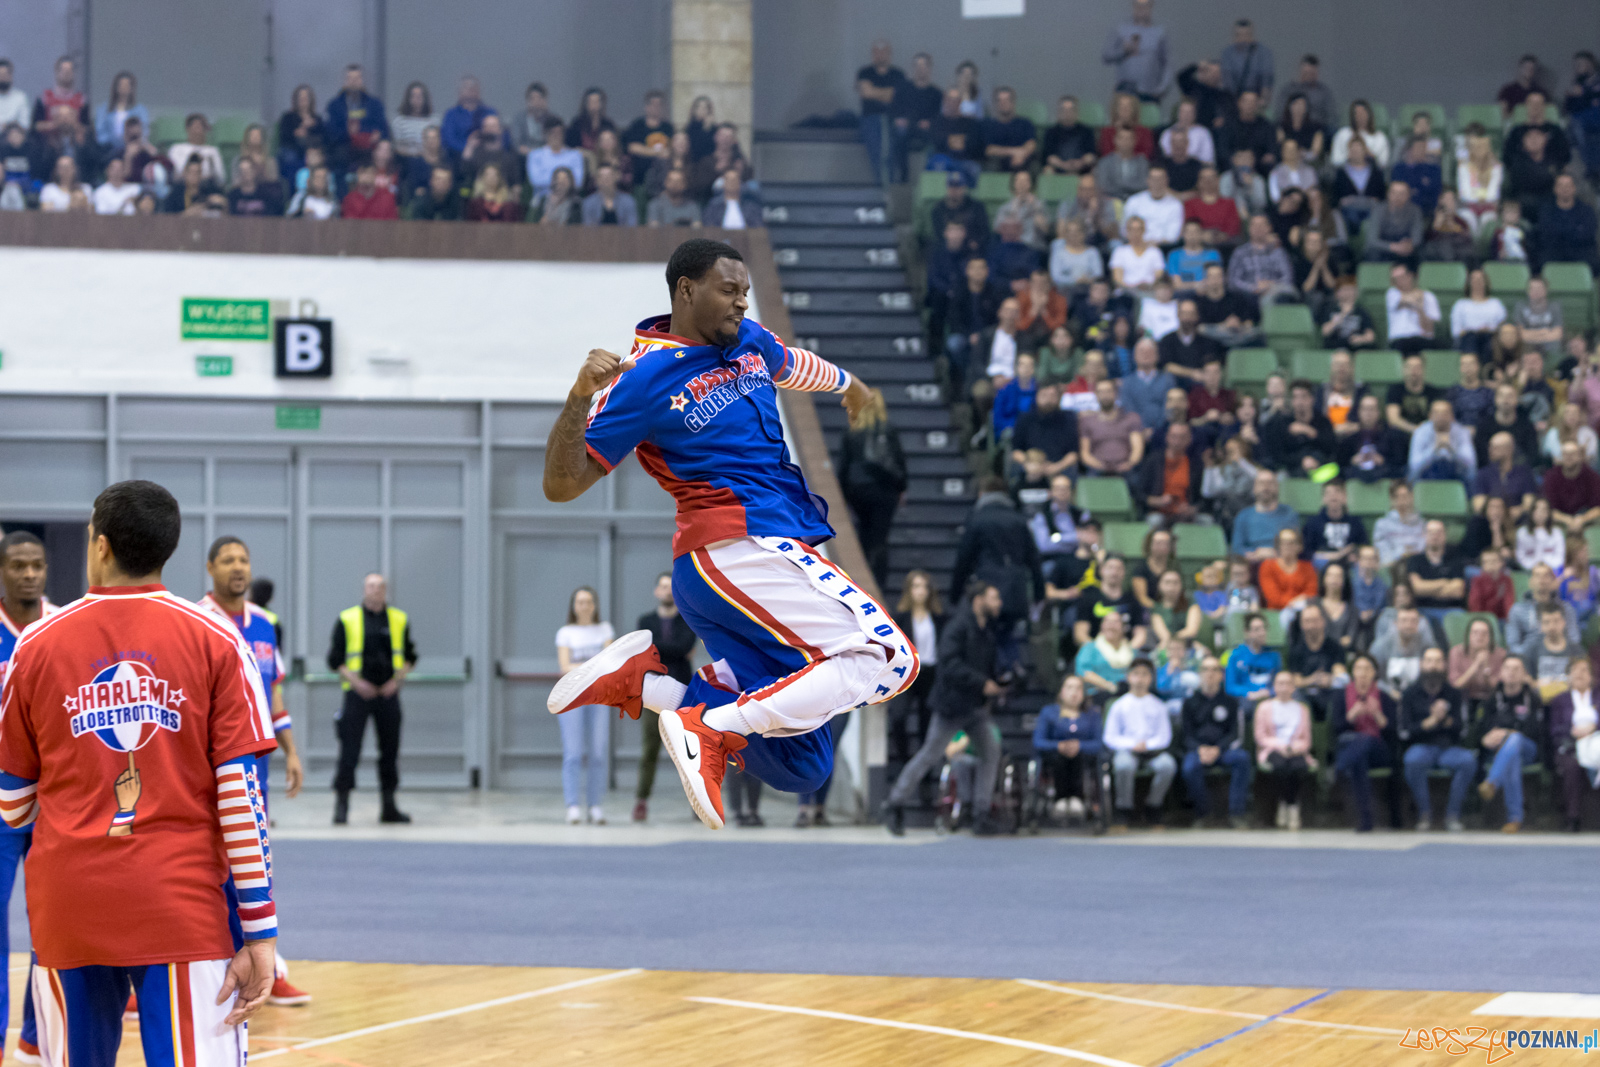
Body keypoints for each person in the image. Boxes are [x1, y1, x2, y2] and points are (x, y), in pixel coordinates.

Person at [543, 239, 915, 830]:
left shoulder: (746, 341)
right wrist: (576, 399)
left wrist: (850, 386)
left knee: (804, 763)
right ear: (686, 291)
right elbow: (563, 484)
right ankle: (712, 726)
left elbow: (792, 364)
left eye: (745, 291)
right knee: (889, 656)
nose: (742, 302)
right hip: (736, 549)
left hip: (752, 559)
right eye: (729, 290)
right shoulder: (642, 378)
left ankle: (650, 686)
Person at [0, 481, 278, 1066]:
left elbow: (12, 805)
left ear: (100, 546)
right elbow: (242, 800)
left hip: (68, 907)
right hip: (180, 907)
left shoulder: (33, 646)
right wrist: (260, 932)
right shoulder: (220, 639)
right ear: (168, 551)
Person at [196, 536, 309, 1007]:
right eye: (228, 560)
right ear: (210, 568)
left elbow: (273, 694)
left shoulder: (264, 624)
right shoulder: (198, 621)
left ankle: (267, 967)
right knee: (209, 873)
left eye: (244, 559)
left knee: (253, 872)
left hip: (254, 769)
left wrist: (292, 752)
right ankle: (207, 971)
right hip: (208, 769)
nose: (237, 567)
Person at [884, 581, 1003, 836]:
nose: (998, 603)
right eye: (993, 598)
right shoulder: (958, 627)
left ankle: (981, 812)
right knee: (929, 754)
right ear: (978, 600)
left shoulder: (986, 630)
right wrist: (982, 683)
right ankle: (895, 803)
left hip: (974, 706)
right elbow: (949, 664)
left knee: (991, 752)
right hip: (951, 706)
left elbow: (985, 665)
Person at [0, 532, 53, 1056]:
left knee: (52, 921)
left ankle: (35, 1036)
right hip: (0, 800)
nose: (29, 574)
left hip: (52, 798)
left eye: (36, 565)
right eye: (17, 565)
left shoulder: (63, 626)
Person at [326, 572, 415, 825]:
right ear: (364, 589)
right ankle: (341, 806)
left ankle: (389, 806)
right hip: (357, 694)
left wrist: (395, 682)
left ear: (386, 590)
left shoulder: (399, 619)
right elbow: (335, 659)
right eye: (371, 586)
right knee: (349, 751)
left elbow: (410, 655)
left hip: (388, 695)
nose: (375, 590)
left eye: (380, 586)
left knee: (389, 751)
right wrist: (358, 683)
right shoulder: (347, 619)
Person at [555, 587, 614, 826]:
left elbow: (610, 663)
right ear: (573, 606)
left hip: (599, 697)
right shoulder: (565, 633)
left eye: (589, 601)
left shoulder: (605, 629)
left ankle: (595, 805)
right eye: (580, 602)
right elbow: (564, 666)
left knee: (598, 753)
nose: (585, 606)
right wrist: (593, 666)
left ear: (595, 605)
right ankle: (573, 806)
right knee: (573, 753)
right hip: (571, 698)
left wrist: (585, 667)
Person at [837, 387, 907, 588]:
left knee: (864, 535)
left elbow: (843, 466)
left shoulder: (851, 431)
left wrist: (844, 496)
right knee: (880, 539)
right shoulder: (887, 428)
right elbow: (899, 462)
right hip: (885, 490)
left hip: (857, 491)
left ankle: (859, 582)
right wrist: (902, 488)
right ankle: (878, 585)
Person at [950, 476, 1043, 628]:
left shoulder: (977, 519)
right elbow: (1033, 558)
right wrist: (1039, 593)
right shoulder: (1018, 520)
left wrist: (955, 594)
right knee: (1008, 641)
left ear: (982, 494)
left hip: (986, 591)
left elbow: (964, 558)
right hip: (1015, 590)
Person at [1398, 646, 1474, 831]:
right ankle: (1424, 814)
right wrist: (1430, 721)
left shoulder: (1454, 693)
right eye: (1429, 661)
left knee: (1468, 761)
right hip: (1421, 747)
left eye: (1438, 661)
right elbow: (1404, 731)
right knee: (1412, 760)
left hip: (1448, 748)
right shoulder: (1409, 694)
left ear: (1445, 665)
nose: (1433, 666)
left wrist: (1445, 720)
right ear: (1422, 664)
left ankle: (1453, 816)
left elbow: (1462, 729)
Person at [1178, 657, 1251, 827]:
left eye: (1214, 670)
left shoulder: (1231, 702)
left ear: (1221, 675)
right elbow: (1186, 735)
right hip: (1198, 750)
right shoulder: (1189, 703)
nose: (1210, 674)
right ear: (1199, 674)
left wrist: (1218, 748)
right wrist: (1200, 749)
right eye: (1205, 670)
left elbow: (1236, 734)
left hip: (1224, 750)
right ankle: (1203, 814)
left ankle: (1237, 813)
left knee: (1242, 759)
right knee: (1189, 768)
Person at [1104, 658, 1175, 830]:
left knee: (1168, 765)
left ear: (1150, 679)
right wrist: (1132, 744)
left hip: (1153, 751)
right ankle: (1123, 809)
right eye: (1136, 674)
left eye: (1145, 675)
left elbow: (1165, 736)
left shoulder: (1159, 705)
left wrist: (1147, 745)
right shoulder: (1119, 705)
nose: (1140, 679)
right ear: (1128, 677)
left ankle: (1153, 806)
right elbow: (1110, 736)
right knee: (1123, 765)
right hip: (1127, 750)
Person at [890, 572, 946, 768]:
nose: (920, 591)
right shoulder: (901, 618)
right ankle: (905, 762)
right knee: (898, 717)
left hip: (930, 672)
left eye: (924, 586)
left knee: (926, 724)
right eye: (916, 586)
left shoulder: (938, 619)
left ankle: (923, 773)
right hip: (907, 672)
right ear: (909, 590)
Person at [1033, 676, 1104, 822]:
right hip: (1054, 758)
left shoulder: (1093, 714)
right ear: (1061, 692)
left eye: (1078, 688)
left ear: (1083, 694)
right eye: (1070, 688)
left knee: (1077, 756)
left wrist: (1079, 746)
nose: (1074, 692)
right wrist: (1059, 746)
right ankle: (1059, 799)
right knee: (1060, 758)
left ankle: (1077, 799)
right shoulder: (1048, 712)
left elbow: (1098, 743)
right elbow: (1038, 742)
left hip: (1084, 758)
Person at [1253, 671, 1315, 830]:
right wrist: (1281, 746)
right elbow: (1260, 736)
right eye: (1280, 683)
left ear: (1293, 687)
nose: (1284, 687)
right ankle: (1284, 803)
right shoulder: (1264, 707)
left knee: (1298, 767)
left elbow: (1306, 739)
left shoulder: (1302, 709)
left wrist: (1294, 748)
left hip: (1296, 750)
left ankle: (1292, 806)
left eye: (1288, 683)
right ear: (1274, 686)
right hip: (1272, 750)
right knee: (1280, 767)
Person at [1549, 657, 1598, 832]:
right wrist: (1572, 731)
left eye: (1584, 670)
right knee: (1572, 766)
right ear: (1568, 676)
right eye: (1575, 670)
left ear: (1591, 676)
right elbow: (1554, 729)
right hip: (1570, 745)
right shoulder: (1560, 700)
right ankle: (1573, 817)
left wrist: (1594, 727)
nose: (1579, 673)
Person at [856, 40, 908, 183]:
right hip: (870, 119)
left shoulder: (898, 74)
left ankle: (894, 185)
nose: (880, 55)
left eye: (883, 51)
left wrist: (874, 91)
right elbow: (866, 93)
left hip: (892, 119)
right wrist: (887, 93)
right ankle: (882, 187)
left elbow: (896, 96)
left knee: (891, 153)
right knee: (877, 153)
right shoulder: (864, 73)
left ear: (889, 54)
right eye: (876, 52)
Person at [1261, 379, 1335, 475]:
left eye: (1304, 397)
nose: (1300, 402)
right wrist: (1301, 460)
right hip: (1291, 469)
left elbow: (1331, 449)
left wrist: (1311, 432)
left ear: (1311, 399)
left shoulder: (1323, 422)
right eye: (1295, 397)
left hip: (1320, 468)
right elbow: (1278, 455)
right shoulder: (1282, 422)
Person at [1101, 0, 1170, 102]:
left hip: (1149, 93)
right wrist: (1123, 51)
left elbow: (1168, 64)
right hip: (1125, 93)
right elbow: (1106, 56)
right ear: (1133, 6)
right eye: (1138, 6)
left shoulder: (1159, 33)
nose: (1141, 9)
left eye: (1144, 6)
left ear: (1151, 7)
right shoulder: (1121, 29)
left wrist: (1162, 88)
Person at [324, 64, 389, 171]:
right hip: (344, 146)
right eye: (350, 78)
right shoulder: (334, 105)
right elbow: (330, 131)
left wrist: (376, 133)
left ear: (362, 80)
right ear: (345, 81)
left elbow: (382, 127)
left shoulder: (375, 104)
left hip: (369, 145)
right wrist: (347, 132)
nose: (353, 82)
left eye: (357, 78)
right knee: (338, 155)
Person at [1079, 378, 1146, 478]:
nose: (1105, 395)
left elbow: (1137, 448)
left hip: (1125, 469)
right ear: (1096, 395)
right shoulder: (1087, 421)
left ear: (1116, 393)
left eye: (1108, 391)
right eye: (1101, 392)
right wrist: (1100, 467)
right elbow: (1085, 453)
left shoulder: (1131, 418)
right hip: (1098, 470)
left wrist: (1129, 463)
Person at [1230, 470, 1300, 562]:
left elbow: (1295, 544)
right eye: (1261, 483)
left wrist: (1275, 553)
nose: (1265, 487)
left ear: (1277, 487)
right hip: (1252, 563)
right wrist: (1256, 553)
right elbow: (1237, 547)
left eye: (1270, 483)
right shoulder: (1243, 516)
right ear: (1254, 488)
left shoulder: (1289, 514)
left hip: (1281, 563)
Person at [1535, 172, 1599, 272]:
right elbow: (1546, 233)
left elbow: (1588, 233)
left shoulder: (1586, 210)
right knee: (1541, 260)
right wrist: (1574, 230)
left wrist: (1562, 231)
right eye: (1561, 186)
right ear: (1555, 189)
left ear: (1574, 188)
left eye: (1568, 186)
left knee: (1593, 262)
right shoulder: (1546, 210)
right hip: (1555, 251)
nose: (1565, 189)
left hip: (1580, 250)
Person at [1519, 601, 1579, 701]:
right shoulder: (1532, 650)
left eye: (1556, 621)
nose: (1552, 626)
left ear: (1563, 622)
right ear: (1540, 625)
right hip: (1539, 701)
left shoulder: (1576, 650)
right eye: (1546, 622)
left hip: (1568, 703)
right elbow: (1525, 677)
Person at [1372, 603, 1439, 692]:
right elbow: (1373, 677)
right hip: (1387, 696)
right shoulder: (1381, 646)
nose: (1408, 625)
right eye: (1404, 620)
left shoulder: (1426, 646)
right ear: (1396, 623)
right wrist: (1390, 691)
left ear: (1418, 623)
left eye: (1413, 621)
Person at [1408, 399, 1477, 483]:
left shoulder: (1462, 433)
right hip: (1426, 477)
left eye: (1445, 413)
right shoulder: (1420, 432)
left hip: (1456, 477)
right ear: (1430, 416)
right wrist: (1434, 449)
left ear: (1452, 416)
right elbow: (1413, 467)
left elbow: (1471, 467)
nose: (1441, 417)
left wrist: (1452, 450)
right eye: (1436, 413)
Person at [1449, 616, 1506, 708]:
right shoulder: (1456, 652)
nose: (1480, 637)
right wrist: (1476, 665)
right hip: (1464, 699)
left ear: (1490, 637)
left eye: (1484, 633)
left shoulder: (1499, 654)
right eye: (1475, 633)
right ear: (1468, 635)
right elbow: (1456, 685)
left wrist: (1486, 669)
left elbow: (1499, 687)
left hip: (1491, 699)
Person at [1545, 440, 1600, 534]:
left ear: (1580, 456)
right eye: (1565, 454)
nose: (1568, 457)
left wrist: (1582, 520)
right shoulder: (1551, 477)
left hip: (1587, 521)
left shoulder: (1592, 476)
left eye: (1572, 454)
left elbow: (1598, 508)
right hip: (1560, 522)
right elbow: (1549, 509)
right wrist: (1568, 520)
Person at [1384, 264, 1440, 356]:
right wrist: (1417, 301)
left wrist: (1420, 310)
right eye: (1394, 279)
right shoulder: (1392, 294)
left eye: (1400, 278)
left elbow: (1429, 329)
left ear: (1409, 276)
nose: (1397, 282)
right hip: (1399, 339)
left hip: (1421, 339)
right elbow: (1404, 301)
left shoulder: (1428, 296)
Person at [1385, 354, 1442, 437]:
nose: (1413, 371)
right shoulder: (1395, 389)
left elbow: (1437, 416)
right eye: (1410, 367)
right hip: (1403, 432)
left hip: (1427, 433)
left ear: (1423, 370)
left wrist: (1422, 430)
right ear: (1404, 369)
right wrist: (1415, 430)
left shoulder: (1433, 391)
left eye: (1417, 367)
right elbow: (1393, 419)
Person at [1042, 96, 1097, 175]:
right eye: (1064, 110)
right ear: (1059, 112)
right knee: (1047, 170)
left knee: (1095, 171)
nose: (1067, 113)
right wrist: (1064, 165)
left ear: (1076, 111)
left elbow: (1091, 156)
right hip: (1058, 169)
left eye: (1070, 110)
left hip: (1082, 170)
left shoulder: (1087, 131)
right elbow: (1048, 157)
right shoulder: (1051, 132)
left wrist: (1080, 163)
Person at [1469, 545, 1518, 621]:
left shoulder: (1506, 580)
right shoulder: (1477, 581)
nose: (1490, 565)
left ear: (1501, 563)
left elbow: (1509, 602)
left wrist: (1510, 620)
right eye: (1486, 562)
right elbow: (1475, 605)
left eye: (1493, 561)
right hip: (1484, 620)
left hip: (1502, 620)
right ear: (1482, 565)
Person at [1545, 401, 1600, 468]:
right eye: (1567, 412)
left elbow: (1590, 459)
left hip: (1584, 472)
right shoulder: (1553, 434)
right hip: (1557, 472)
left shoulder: (1589, 433)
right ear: (1561, 415)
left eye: (1574, 412)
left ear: (1580, 416)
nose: (1571, 415)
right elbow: (1550, 459)